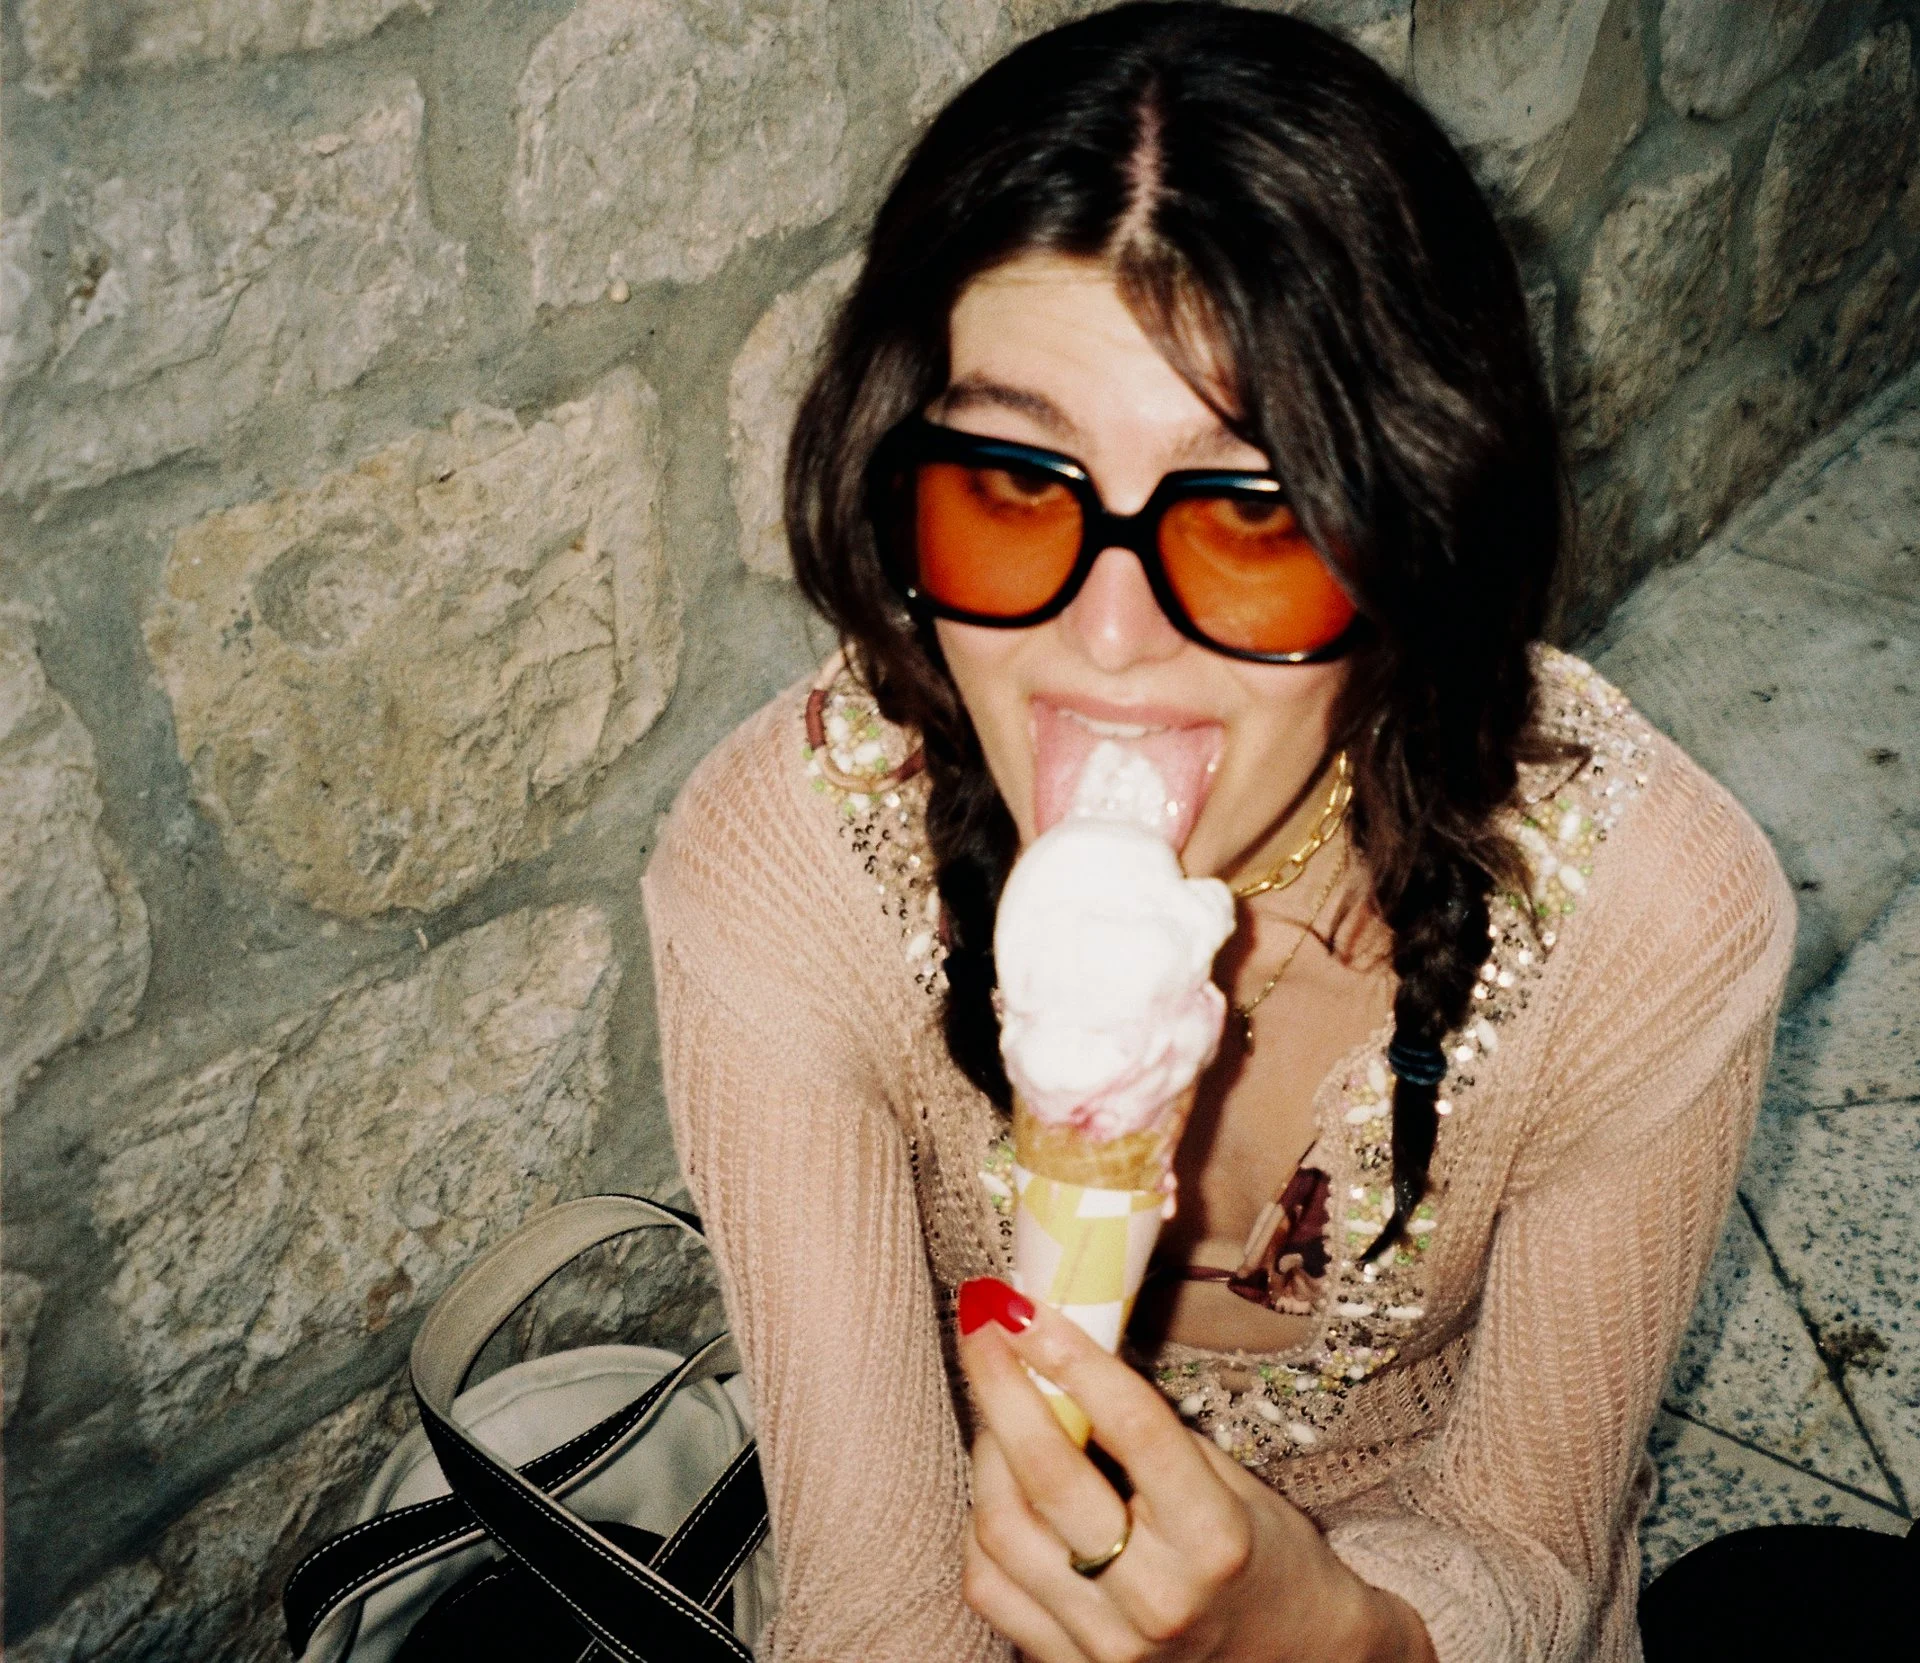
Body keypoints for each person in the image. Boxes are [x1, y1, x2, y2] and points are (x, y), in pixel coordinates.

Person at [639, 5, 1792, 1659]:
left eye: (1252, 516)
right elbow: (876, 1604)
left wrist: (1312, 1629)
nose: (1107, 642)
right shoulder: (789, 872)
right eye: (1012, 484)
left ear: (1414, 525)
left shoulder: (1649, 918)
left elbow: (1530, 1546)